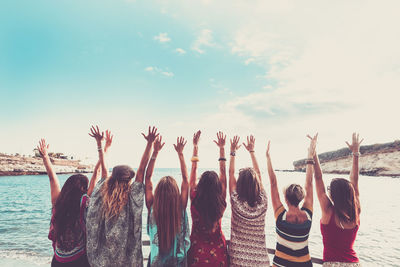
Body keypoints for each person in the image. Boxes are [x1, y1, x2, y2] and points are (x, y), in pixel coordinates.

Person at [86, 126, 158, 267]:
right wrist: (150, 144)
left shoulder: (103, 191)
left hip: (104, 261)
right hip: (128, 260)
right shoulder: (133, 195)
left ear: (113, 177)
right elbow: (142, 170)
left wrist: (100, 145)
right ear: (129, 179)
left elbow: (104, 169)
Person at [37, 127, 108, 267]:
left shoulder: (58, 202)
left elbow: (52, 179)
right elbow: (96, 174)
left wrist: (45, 157)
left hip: (58, 260)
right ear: (83, 189)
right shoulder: (83, 203)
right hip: (79, 260)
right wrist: (103, 148)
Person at [266, 134, 318, 267]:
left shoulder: (281, 216)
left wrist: (268, 157)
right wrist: (310, 155)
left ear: (285, 198)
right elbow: (309, 183)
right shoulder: (308, 216)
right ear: (301, 197)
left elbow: (272, 183)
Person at [313, 133, 363, 267]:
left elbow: (318, 178)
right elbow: (355, 181)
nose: (327, 190)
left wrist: (313, 153)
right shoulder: (355, 211)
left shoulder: (328, 211)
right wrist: (356, 153)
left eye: (330, 188)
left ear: (334, 194)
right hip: (353, 263)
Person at [145, 136, 190, 267]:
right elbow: (186, 180)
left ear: (158, 193)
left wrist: (155, 152)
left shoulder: (152, 208)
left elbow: (147, 179)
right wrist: (181, 154)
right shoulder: (180, 207)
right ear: (175, 193)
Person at [187, 131, 228, 266]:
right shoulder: (220, 200)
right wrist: (222, 149)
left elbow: (193, 169)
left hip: (197, 253)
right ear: (218, 186)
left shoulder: (194, 197)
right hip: (218, 254)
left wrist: (195, 147)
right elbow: (223, 172)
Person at [228, 135, 270, 266]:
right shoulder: (263, 202)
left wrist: (232, 152)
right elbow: (259, 173)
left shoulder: (236, 202)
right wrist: (252, 151)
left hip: (238, 260)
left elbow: (230, 173)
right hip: (260, 261)